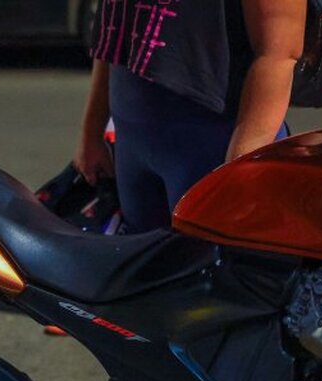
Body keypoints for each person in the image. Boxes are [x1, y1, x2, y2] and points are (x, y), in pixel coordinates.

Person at [75, 0, 307, 233]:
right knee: (146, 263)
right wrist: (91, 132)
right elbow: (113, 36)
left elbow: (279, 53)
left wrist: (240, 166)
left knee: (216, 262)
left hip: (212, 147)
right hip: (133, 147)